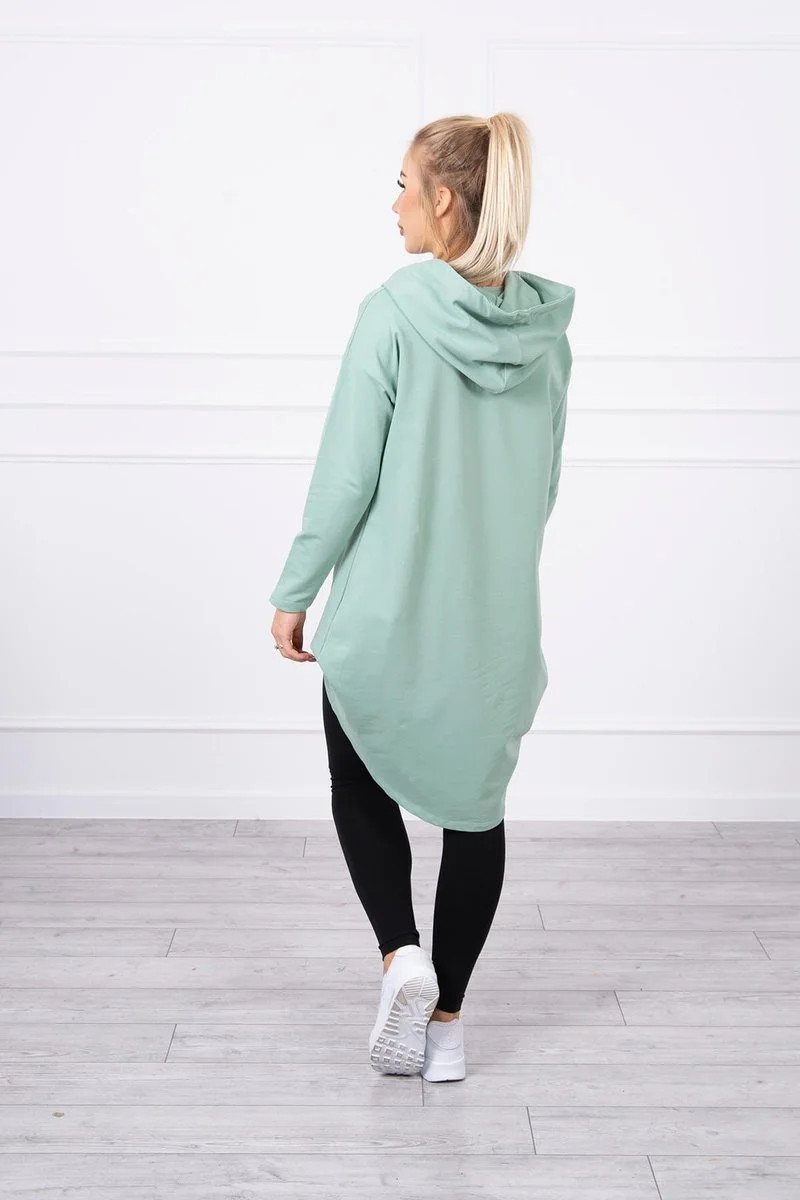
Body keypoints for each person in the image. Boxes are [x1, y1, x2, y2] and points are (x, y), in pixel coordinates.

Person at [269, 112, 575, 1079]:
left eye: (403, 184)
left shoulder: (394, 311)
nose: (394, 203)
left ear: (444, 199)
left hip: (388, 617)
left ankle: (401, 954)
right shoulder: (547, 337)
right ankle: (446, 1030)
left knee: (357, 783)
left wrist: (296, 589)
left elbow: (344, 476)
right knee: (476, 814)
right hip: (495, 628)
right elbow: (543, 488)